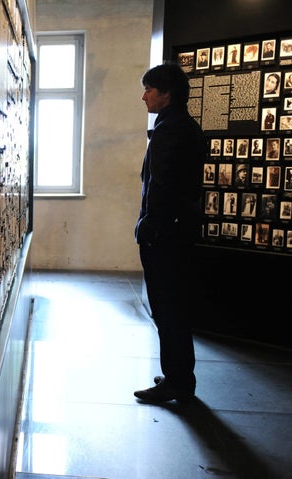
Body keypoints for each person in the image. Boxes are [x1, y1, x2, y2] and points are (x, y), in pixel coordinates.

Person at [134, 62, 206, 403]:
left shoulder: (171, 130)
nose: (144, 96)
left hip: (165, 236)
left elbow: (160, 187)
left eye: (149, 89)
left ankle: (177, 383)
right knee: (174, 307)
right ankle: (179, 376)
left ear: (167, 93)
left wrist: (148, 228)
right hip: (177, 233)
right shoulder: (182, 126)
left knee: (168, 308)